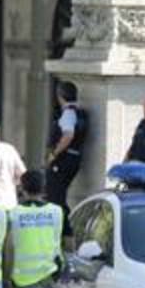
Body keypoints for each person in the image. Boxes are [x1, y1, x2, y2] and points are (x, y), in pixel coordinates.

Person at [45, 81, 87, 217]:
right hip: (73, 158)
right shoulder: (79, 112)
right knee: (58, 195)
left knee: (55, 196)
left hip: (64, 160)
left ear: (60, 97)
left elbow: (68, 135)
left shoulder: (68, 114)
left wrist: (53, 153)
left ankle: (66, 229)